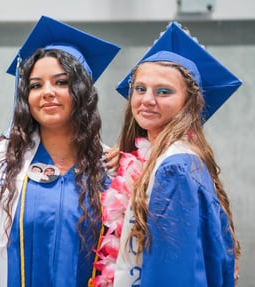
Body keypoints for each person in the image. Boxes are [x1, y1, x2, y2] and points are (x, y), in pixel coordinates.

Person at [0, 16, 120, 287]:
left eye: (61, 82)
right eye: (36, 85)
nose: (47, 92)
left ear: (82, 91)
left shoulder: (110, 170)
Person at [91, 22, 241, 287]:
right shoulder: (152, 162)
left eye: (164, 91)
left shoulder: (175, 168)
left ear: (189, 103)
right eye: (140, 89)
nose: (147, 99)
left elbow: (174, 272)